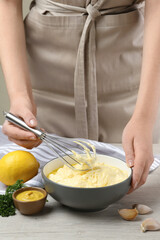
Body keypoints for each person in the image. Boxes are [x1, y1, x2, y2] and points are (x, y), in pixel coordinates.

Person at [0, 0, 160, 193]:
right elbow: (8, 3)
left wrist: (144, 117)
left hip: (135, 80)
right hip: (45, 78)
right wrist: (20, 96)